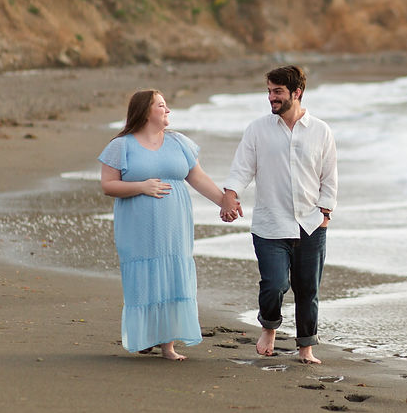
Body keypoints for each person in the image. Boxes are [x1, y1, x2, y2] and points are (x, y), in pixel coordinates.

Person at [99, 89, 232, 360]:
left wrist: (224, 202)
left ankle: (168, 345)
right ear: (146, 111)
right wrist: (141, 186)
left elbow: (198, 177)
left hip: (175, 226)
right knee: (145, 278)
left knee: (173, 276)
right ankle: (146, 336)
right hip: (138, 227)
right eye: (161, 105)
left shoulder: (178, 142)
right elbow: (108, 185)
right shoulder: (121, 145)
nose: (167, 110)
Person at [220, 65, 338, 364]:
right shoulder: (258, 129)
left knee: (307, 290)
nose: (271, 98)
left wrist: (325, 212)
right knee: (274, 285)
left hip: (311, 225)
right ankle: (269, 327)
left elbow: (329, 176)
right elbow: (242, 169)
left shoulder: (321, 131)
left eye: (278, 92)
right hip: (270, 224)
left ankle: (306, 348)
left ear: (296, 93)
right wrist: (230, 197)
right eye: (269, 91)